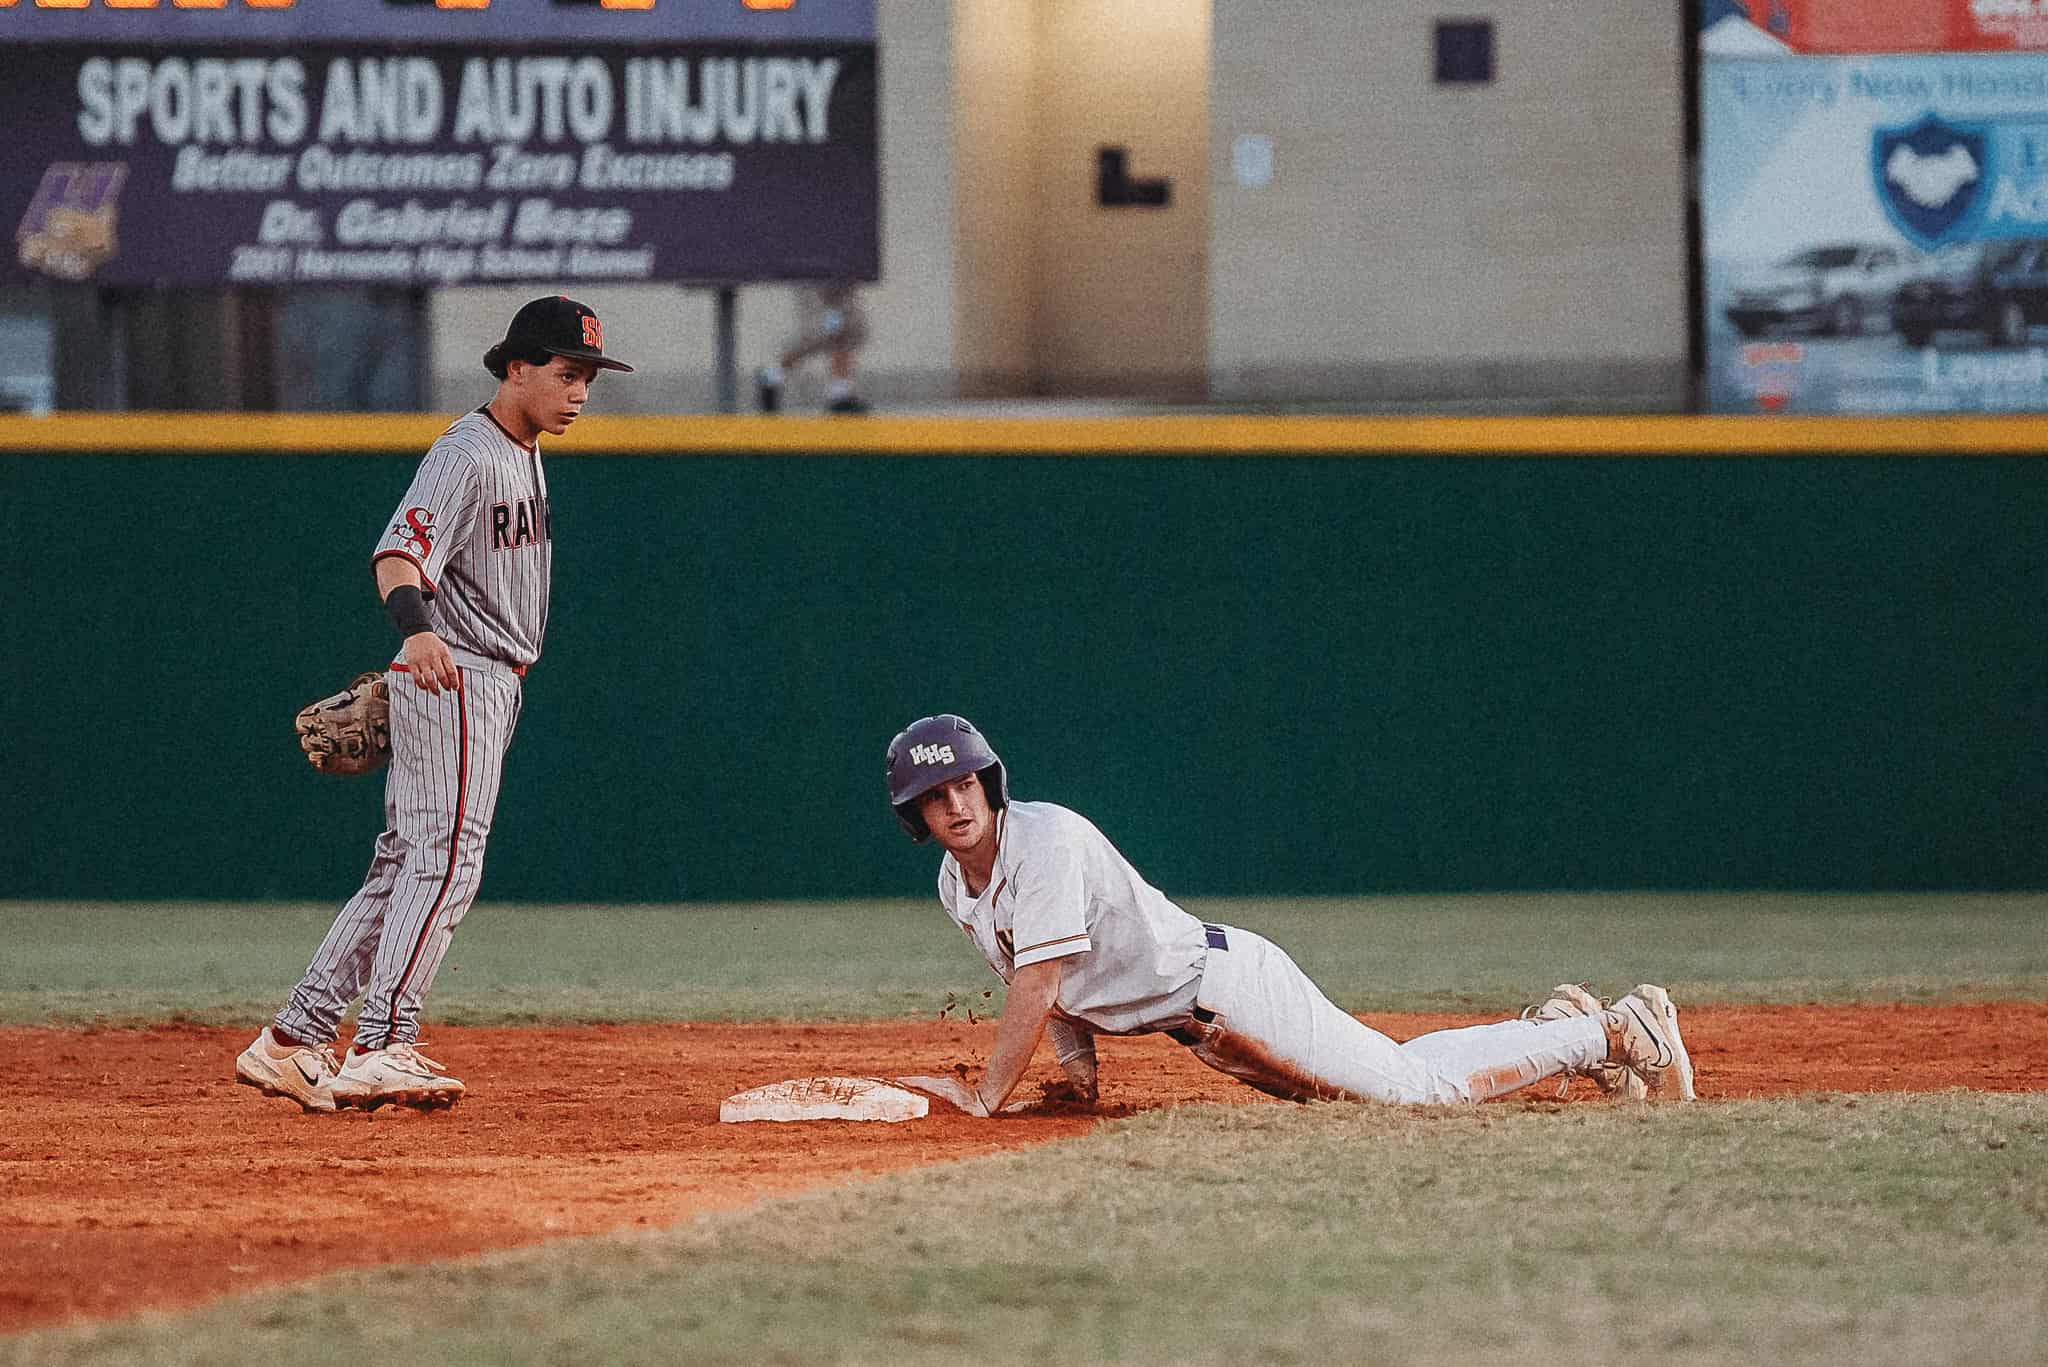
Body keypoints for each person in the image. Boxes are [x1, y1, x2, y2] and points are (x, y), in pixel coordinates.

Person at [883, 715, 1697, 1117]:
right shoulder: (961, 887)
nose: (955, 803)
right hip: (1210, 1023)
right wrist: (1079, 1083)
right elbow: (1056, 996)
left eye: (964, 784)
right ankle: (1562, 1025)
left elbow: (1038, 980)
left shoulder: (1045, 841)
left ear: (990, 783)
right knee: (1391, 1076)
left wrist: (990, 1097)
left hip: (1234, 992)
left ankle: (1618, 1030)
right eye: (935, 795)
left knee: (1419, 1093)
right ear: (914, 815)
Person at [235, 296, 632, 1113]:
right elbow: (398, 554)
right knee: (447, 859)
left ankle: (295, 1040)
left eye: (587, 377)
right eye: (566, 373)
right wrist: (417, 636)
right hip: (459, 673)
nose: (580, 392)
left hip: (482, 678)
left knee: (403, 864)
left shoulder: (522, 449)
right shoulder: (470, 452)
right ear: (515, 367)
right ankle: (384, 1042)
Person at [755, 281, 869, 414]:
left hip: (838, 285)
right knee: (821, 333)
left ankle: (840, 393)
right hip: (822, 282)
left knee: (845, 332)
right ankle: (771, 376)